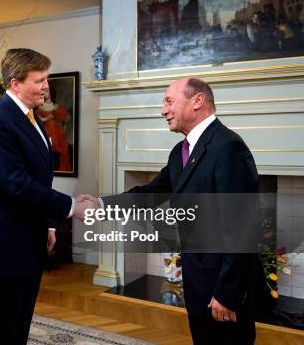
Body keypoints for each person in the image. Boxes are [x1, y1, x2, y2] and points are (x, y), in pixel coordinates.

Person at [78, 78, 261, 345]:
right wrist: (101, 205)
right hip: (198, 280)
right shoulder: (180, 152)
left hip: (222, 288)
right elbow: (150, 194)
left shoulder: (228, 147)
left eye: (169, 101)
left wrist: (227, 293)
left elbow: (244, 226)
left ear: (197, 101)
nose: (163, 110)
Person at [0, 48, 95, 345]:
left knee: (19, 325)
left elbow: (41, 178)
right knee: (0, 331)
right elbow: (16, 184)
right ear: (15, 83)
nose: (46, 86)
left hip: (29, 238)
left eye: (46, 79)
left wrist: (49, 224)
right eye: (39, 80)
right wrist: (72, 207)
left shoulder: (32, 118)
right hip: (3, 244)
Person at [36, 86, 71, 171]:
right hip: (46, 135)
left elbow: (65, 117)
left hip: (59, 136)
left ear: (51, 93)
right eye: (43, 92)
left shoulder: (56, 107)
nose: (45, 94)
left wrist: (55, 116)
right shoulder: (38, 108)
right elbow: (37, 120)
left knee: (62, 153)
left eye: (47, 92)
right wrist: (48, 118)